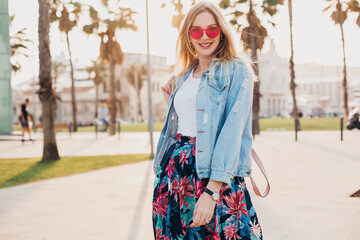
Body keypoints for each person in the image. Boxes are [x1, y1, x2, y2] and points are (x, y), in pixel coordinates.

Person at [152, 1, 262, 239]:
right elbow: (189, 123)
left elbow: (231, 133)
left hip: (214, 178)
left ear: (221, 32)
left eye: (211, 29)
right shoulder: (182, 75)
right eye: (196, 30)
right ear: (188, 35)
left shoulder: (237, 71)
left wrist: (211, 192)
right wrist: (170, 99)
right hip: (174, 176)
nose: (204, 36)